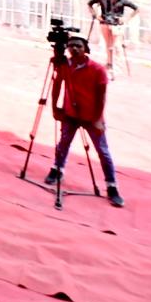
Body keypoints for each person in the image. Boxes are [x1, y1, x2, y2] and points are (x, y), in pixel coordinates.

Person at [46, 37, 124, 207]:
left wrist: (97, 119)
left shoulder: (97, 69)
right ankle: (57, 169)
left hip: (91, 117)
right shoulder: (65, 66)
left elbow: (102, 97)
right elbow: (57, 85)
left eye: (78, 46)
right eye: (71, 46)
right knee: (63, 143)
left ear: (86, 49)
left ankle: (111, 186)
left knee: (103, 151)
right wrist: (55, 108)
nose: (74, 49)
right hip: (70, 114)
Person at [87, 0, 138, 75]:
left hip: (117, 24)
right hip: (104, 22)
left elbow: (136, 8)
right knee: (108, 45)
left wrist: (126, 19)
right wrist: (96, 15)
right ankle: (109, 63)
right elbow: (90, 4)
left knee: (117, 45)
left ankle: (118, 65)